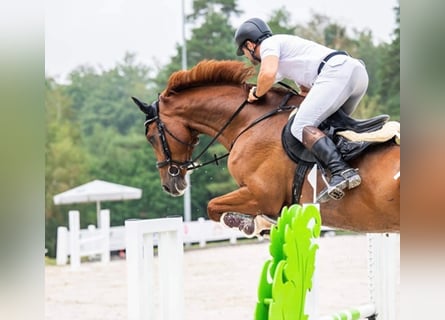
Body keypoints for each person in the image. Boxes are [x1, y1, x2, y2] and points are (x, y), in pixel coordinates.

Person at [234, 17, 368, 203]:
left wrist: (256, 93)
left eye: (244, 52)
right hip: (356, 74)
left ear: (250, 45)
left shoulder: (269, 45)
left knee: (300, 127)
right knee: (329, 126)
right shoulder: (286, 56)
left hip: (337, 72)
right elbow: (305, 91)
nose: (248, 58)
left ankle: (341, 171)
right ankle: (354, 162)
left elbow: (267, 75)